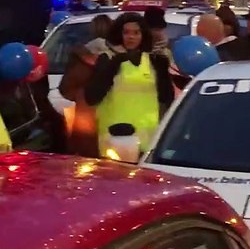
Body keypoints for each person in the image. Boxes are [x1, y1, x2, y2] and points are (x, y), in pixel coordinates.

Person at [83, 13, 174, 158]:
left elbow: (166, 97)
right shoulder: (107, 59)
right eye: (126, 32)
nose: (131, 37)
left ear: (143, 35)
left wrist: (163, 71)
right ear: (119, 34)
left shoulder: (154, 61)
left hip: (147, 141)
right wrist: (114, 65)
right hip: (115, 139)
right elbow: (91, 97)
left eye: (136, 33)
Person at [59, 14, 117, 157]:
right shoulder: (122, 55)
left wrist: (81, 95)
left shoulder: (82, 56)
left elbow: (66, 88)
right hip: (115, 116)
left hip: (86, 118)